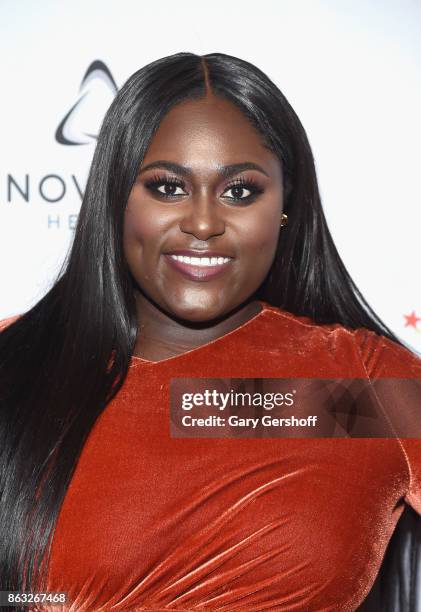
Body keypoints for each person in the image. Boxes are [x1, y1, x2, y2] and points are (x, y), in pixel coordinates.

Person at [0, 51, 420, 611]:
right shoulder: (15, 364)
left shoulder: (354, 390)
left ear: (285, 206)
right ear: (117, 198)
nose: (203, 223)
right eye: (168, 187)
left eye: (240, 191)